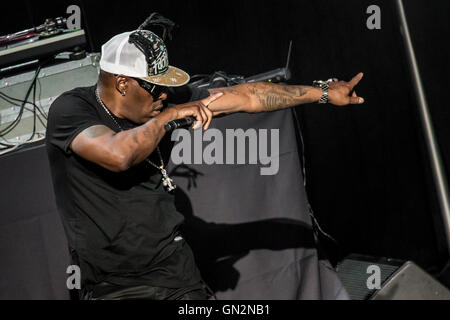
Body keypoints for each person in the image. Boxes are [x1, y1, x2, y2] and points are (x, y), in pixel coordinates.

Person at [45, 28, 364, 300]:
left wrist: (321, 93)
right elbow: (118, 155)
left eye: (167, 89)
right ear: (123, 83)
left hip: (176, 275)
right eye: (156, 88)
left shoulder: (158, 104)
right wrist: (170, 118)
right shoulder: (72, 109)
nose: (164, 98)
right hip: (112, 288)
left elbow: (247, 95)